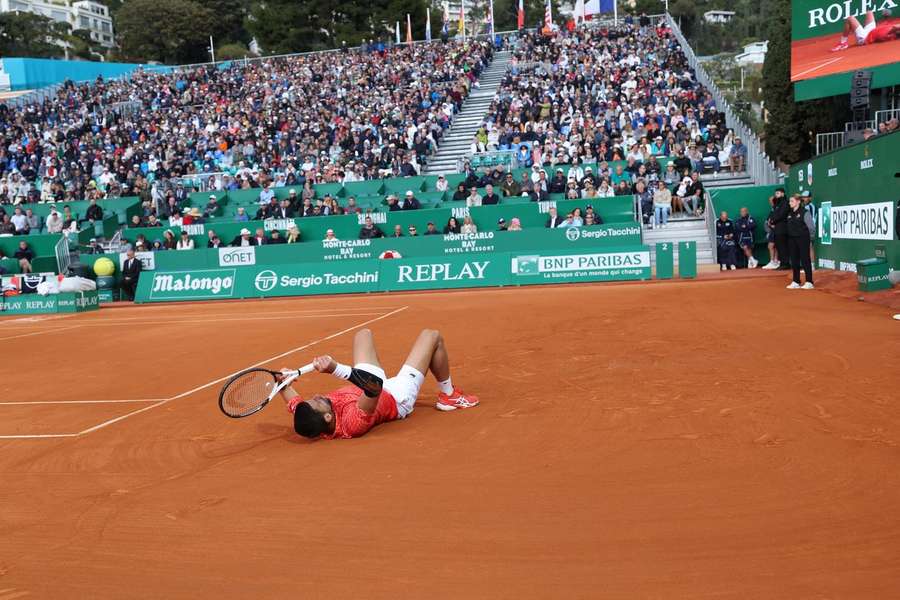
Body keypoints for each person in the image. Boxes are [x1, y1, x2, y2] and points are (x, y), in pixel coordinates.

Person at [280, 328, 479, 441]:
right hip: (394, 395)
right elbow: (374, 387)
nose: (316, 396)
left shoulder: (309, 414)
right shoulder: (352, 424)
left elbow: (294, 402)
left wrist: (282, 381)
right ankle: (449, 395)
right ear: (328, 416)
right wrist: (335, 368)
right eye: (317, 402)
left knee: (363, 335)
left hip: (363, 385)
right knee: (431, 336)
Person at [831, 9, 900, 52]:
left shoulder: (892, 33)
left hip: (865, 37)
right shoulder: (893, 30)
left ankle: (843, 42)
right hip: (872, 30)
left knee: (850, 18)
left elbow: (895, 27)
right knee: (869, 12)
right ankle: (859, 29)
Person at [786, 194, 815, 289]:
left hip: (803, 238)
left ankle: (809, 282)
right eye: (790, 201)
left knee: (805, 259)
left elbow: (811, 227)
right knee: (794, 260)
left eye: (792, 201)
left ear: (798, 201)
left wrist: (810, 239)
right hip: (792, 239)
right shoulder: (789, 213)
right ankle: (796, 281)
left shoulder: (805, 212)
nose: (790, 203)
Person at [769, 188, 791, 270]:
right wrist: (771, 221)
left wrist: (773, 221)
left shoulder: (785, 203)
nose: (776, 195)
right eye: (776, 193)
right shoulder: (777, 204)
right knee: (779, 246)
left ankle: (785, 264)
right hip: (777, 228)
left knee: (783, 246)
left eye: (778, 193)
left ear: (783, 194)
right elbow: (774, 213)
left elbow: (782, 215)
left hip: (783, 228)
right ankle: (782, 263)